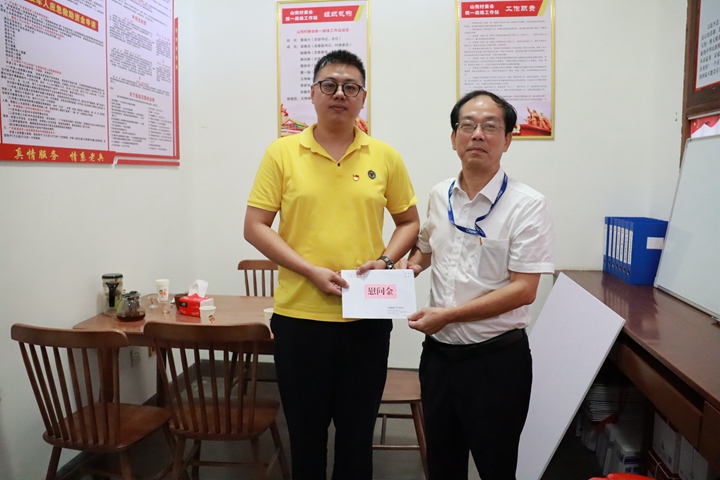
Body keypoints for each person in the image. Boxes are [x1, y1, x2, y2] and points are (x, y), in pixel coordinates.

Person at [244, 50, 419, 480]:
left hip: (366, 317)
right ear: (313, 93)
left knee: (357, 437)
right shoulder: (282, 153)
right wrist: (308, 270)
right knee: (305, 437)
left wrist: (386, 260)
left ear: (363, 98)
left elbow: (409, 222)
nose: (340, 93)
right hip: (299, 318)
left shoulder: (385, 156)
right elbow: (255, 226)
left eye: (350, 87)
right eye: (329, 85)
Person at [398, 90, 554, 480]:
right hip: (438, 359)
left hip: (496, 364)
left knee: (496, 468)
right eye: (467, 125)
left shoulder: (527, 205)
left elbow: (524, 289)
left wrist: (448, 315)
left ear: (508, 139)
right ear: (454, 138)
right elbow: (426, 249)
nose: (478, 134)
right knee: (442, 467)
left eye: (490, 126)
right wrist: (406, 268)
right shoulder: (439, 195)